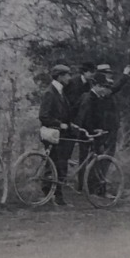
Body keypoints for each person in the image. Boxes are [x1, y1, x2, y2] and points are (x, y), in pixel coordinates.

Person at [38, 64, 77, 205]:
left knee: (58, 166)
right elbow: (44, 116)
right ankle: (53, 197)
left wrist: (70, 124)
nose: (69, 78)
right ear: (59, 76)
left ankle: (53, 197)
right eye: (67, 75)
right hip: (53, 135)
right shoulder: (51, 92)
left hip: (60, 135)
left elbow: (64, 113)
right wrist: (60, 124)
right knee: (55, 166)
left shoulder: (60, 92)